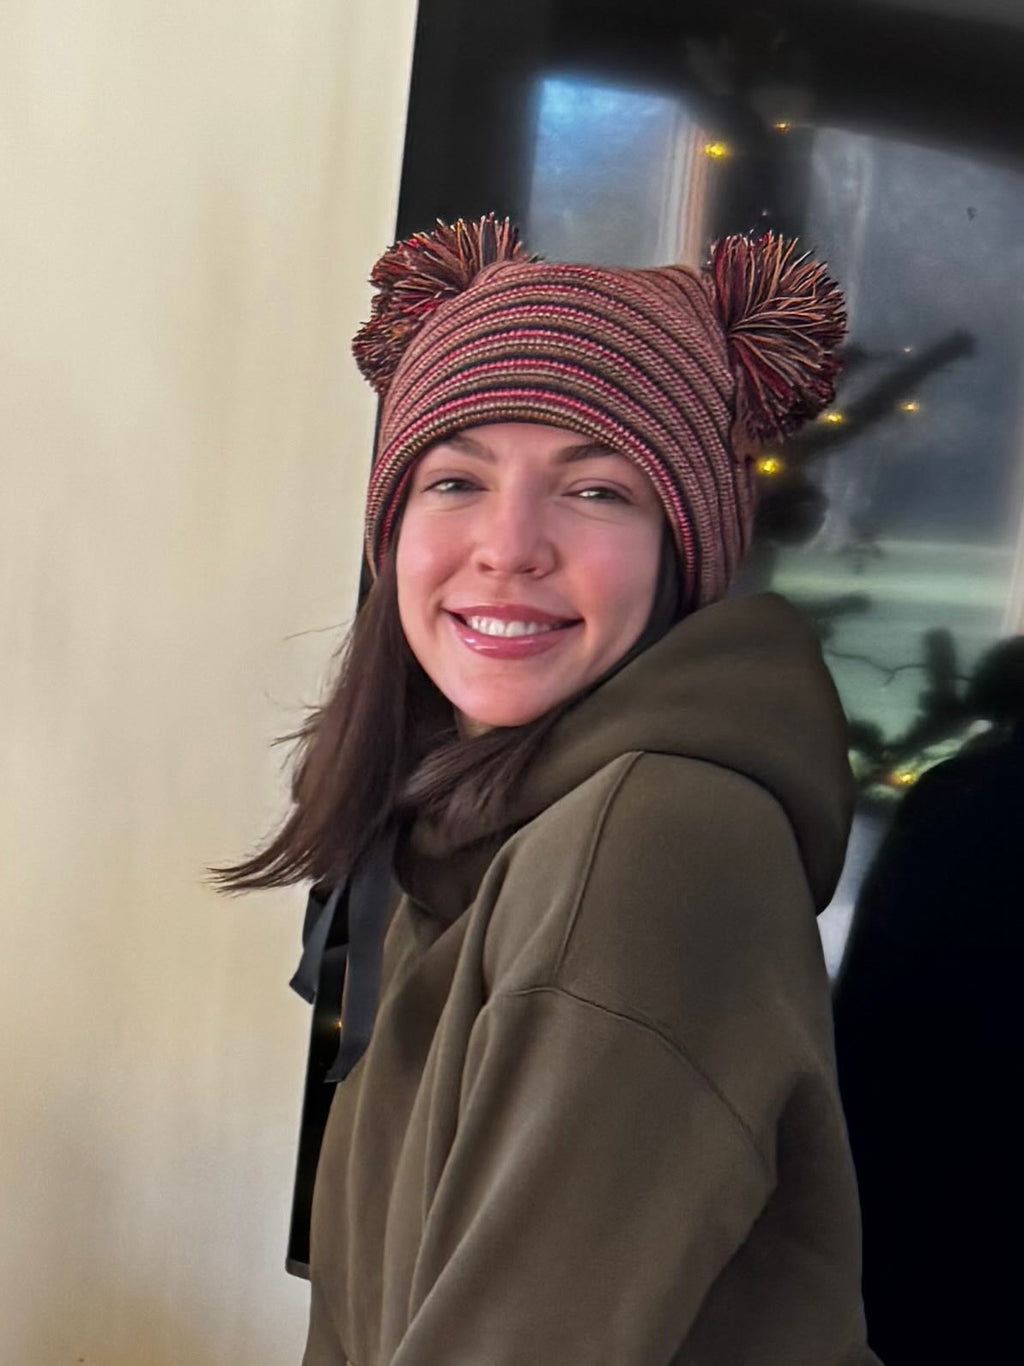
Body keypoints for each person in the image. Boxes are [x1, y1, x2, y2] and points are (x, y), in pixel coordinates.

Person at [220, 216, 879, 1364]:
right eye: (455, 478)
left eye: (596, 490)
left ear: (682, 547)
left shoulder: (652, 839)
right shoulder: (457, 839)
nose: (508, 544)